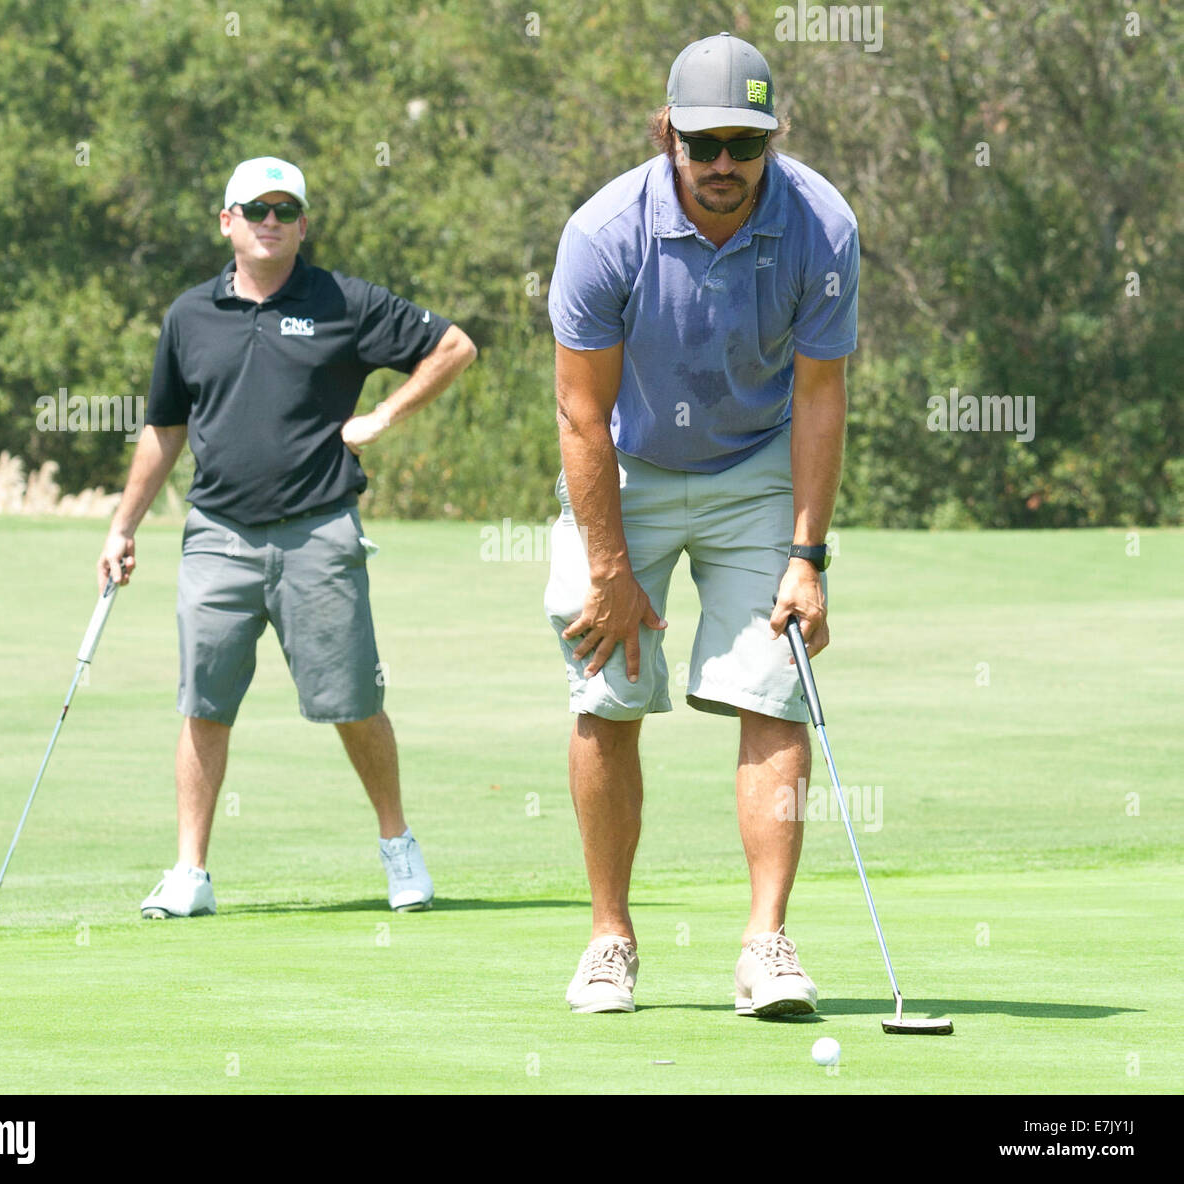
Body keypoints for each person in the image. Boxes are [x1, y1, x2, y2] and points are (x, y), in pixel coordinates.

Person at [545, 34, 857, 1014]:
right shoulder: (604, 232)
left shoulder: (820, 225)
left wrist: (805, 555)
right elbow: (579, 413)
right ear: (666, 134)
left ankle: (765, 944)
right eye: (703, 141)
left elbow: (819, 398)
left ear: (771, 141)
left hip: (755, 463)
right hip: (625, 467)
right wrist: (608, 566)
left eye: (744, 142)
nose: (723, 162)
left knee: (776, 684)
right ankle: (609, 938)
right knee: (607, 688)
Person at [97, 156, 476, 919]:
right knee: (204, 701)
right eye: (255, 209)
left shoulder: (343, 300)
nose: (270, 221)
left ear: (303, 224)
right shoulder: (189, 316)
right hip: (217, 532)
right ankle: (189, 873)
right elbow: (164, 430)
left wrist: (383, 416)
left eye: (285, 210)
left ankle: (398, 848)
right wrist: (123, 525)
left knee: (350, 699)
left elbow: (455, 347)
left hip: (319, 530)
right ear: (227, 221)